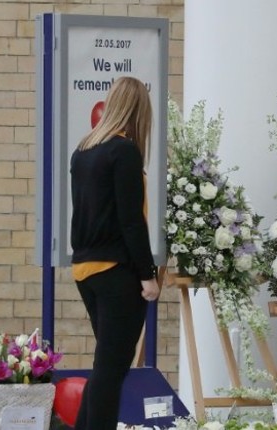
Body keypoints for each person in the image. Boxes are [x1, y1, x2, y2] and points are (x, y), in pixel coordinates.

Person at [70, 76, 161, 429]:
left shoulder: (85, 150)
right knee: (111, 371)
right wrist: (147, 275)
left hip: (85, 270)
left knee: (104, 367)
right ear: (139, 111)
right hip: (116, 272)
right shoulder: (123, 151)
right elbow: (130, 221)